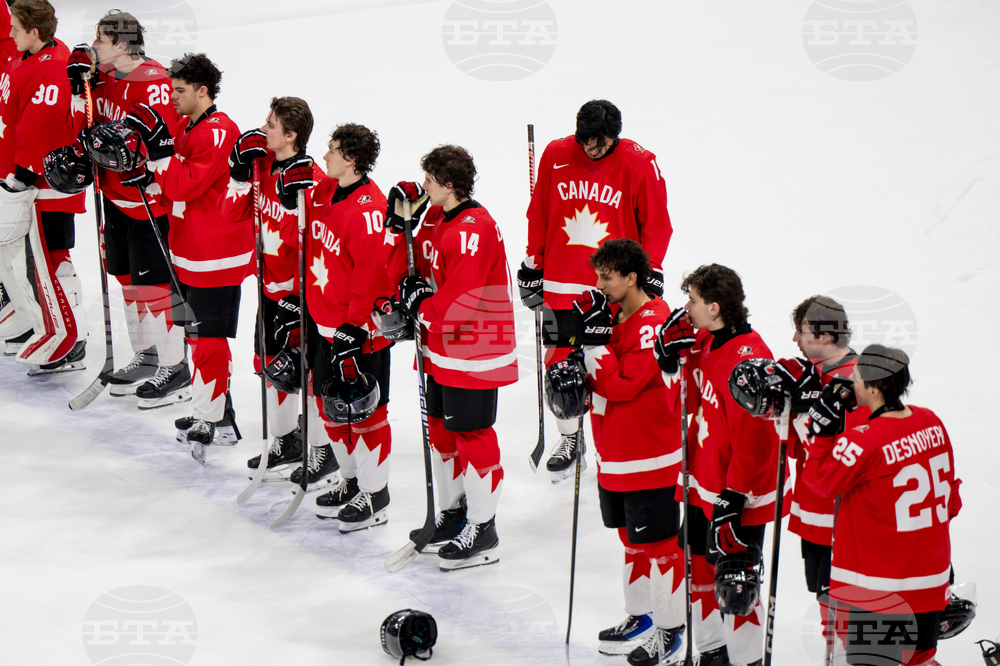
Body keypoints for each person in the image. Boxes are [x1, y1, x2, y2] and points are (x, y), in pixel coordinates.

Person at [520, 99, 672, 483]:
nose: (592, 148)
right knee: (559, 365)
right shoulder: (556, 154)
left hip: (613, 287)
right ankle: (571, 439)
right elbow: (539, 212)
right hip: (559, 283)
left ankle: (609, 440)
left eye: (600, 141)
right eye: (585, 139)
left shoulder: (640, 162)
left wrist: (650, 269)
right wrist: (532, 263)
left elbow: (656, 223)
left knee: (604, 363)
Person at [383, 145, 517, 570]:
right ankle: (455, 513)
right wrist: (399, 226)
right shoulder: (438, 218)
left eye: (429, 180)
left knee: (473, 436)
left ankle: (484, 529)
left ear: (450, 184)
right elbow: (407, 272)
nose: (423, 186)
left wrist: (422, 304)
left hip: (475, 350)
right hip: (441, 348)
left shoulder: (474, 229)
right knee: (442, 432)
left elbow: (459, 303)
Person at [653, 264, 784, 666]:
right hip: (704, 480)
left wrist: (733, 496)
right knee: (700, 570)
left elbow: (760, 444)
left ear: (713, 307)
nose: (684, 308)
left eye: (691, 301)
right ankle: (712, 651)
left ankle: (746, 661)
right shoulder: (707, 340)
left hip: (735, 494)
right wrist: (668, 360)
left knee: (737, 585)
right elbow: (684, 403)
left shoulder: (749, 362)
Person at [125, 52, 251, 462]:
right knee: (198, 337)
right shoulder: (187, 124)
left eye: (179, 90)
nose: (172, 96)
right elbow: (171, 184)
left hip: (216, 254)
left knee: (207, 339)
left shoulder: (218, 131)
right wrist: (150, 175)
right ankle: (222, 417)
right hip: (190, 250)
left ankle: (207, 417)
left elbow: (184, 187)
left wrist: (160, 156)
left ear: (203, 91)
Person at [800, 345, 961, 666]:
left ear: (874, 389)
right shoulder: (932, 423)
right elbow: (951, 503)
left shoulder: (863, 441)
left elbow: (820, 484)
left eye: (856, 378)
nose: (849, 382)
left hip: (879, 594)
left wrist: (822, 434)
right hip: (930, 586)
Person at [275, 123, 395, 529]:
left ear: (352, 160)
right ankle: (349, 479)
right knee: (332, 411)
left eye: (332, 150)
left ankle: (375, 493)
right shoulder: (323, 191)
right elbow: (299, 240)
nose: (324, 156)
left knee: (365, 414)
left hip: (357, 333)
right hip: (325, 325)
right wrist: (290, 202)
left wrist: (356, 326)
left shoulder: (370, 210)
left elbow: (372, 275)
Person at [572, 238, 686, 665]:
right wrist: (571, 360)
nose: (598, 284)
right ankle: (640, 616)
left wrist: (595, 344)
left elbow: (621, 385)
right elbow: (589, 374)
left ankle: (671, 633)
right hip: (614, 453)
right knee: (630, 542)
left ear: (631, 277)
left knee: (660, 548)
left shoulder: (654, 323)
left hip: (651, 458)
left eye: (607, 277)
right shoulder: (611, 313)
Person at [66, 10, 188, 406]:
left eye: (101, 40)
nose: (95, 46)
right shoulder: (99, 79)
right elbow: (79, 131)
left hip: (148, 202)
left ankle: (177, 367)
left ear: (121, 45)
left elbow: (162, 145)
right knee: (126, 279)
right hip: (113, 197)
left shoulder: (153, 82)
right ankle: (148, 354)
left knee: (154, 286)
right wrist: (75, 88)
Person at [220, 97, 324, 481]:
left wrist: (301, 297)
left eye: (271, 124)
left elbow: (318, 241)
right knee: (271, 369)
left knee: (308, 373)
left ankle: (320, 448)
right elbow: (230, 213)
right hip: (268, 288)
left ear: (291, 135)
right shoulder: (261, 165)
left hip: (301, 295)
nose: (263, 129)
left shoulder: (311, 177)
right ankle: (284, 440)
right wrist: (237, 174)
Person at [0, 0, 88, 373]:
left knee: (53, 260)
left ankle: (71, 340)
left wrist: (21, 173)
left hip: (44, 184)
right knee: (34, 261)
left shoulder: (52, 66)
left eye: (16, 29)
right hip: (28, 181)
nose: (10, 34)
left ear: (34, 33)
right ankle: (41, 325)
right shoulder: (27, 59)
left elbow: (41, 128)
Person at [783, 295, 870, 655]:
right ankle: (833, 655)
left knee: (850, 600)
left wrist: (807, 416)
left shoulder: (860, 381)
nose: (794, 340)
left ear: (823, 335)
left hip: (844, 514)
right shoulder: (813, 375)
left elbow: (856, 456)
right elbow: (795, 449)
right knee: (825, 594)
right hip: (815, 508)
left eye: (800, 331)